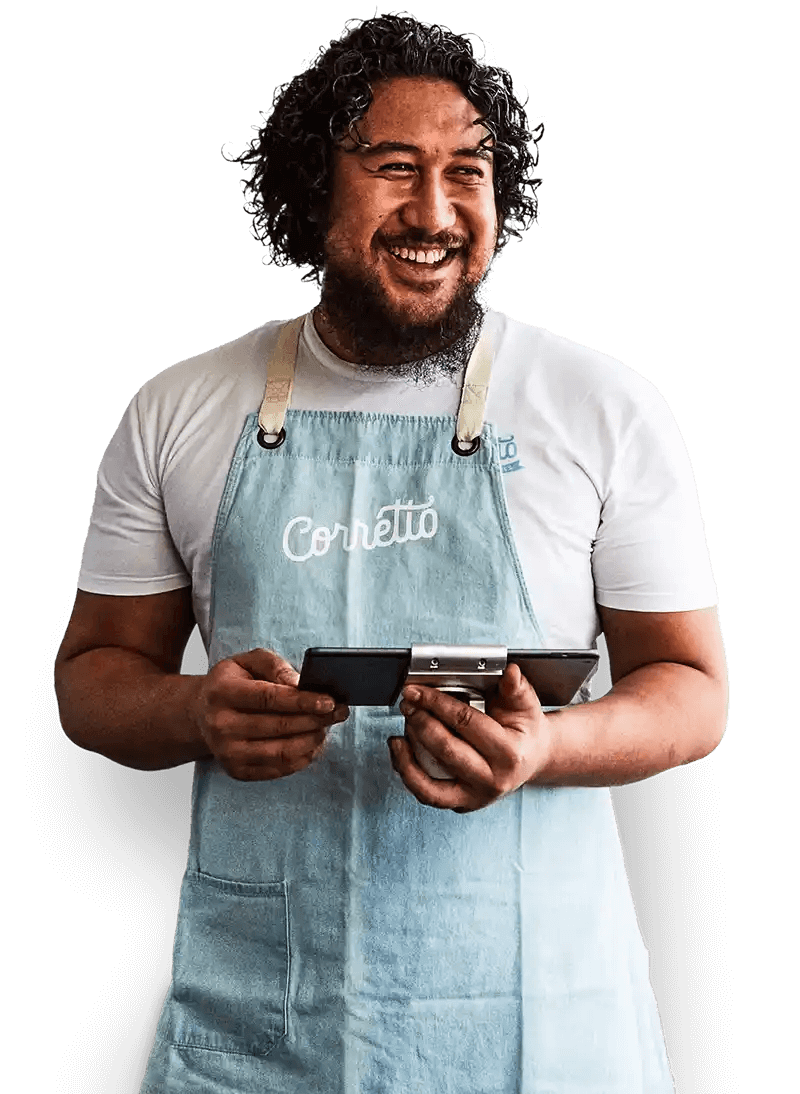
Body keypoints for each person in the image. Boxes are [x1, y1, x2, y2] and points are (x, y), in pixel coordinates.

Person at [54, 13, 728, 1094]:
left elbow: (692, 690)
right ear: (309, 189)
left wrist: (539, 751)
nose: (433, 210)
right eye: (392, 168)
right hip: (260, 1027)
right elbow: (91, 678)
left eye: (465, 171)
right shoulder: (179, 407)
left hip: (540, 1033)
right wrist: (192, 714)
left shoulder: (603, 406)